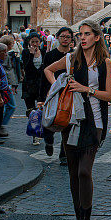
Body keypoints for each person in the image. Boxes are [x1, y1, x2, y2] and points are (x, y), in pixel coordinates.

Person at [44, 20, 111, 220]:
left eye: (87, 34)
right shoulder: (71, 60)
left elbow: (110, 96)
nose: (82, 38)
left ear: (97, 37)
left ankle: (87, 219)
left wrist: (87, 89)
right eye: (80, 35)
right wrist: (58, 86)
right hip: (72, 121)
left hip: (95, 123)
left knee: (85, 171)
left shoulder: (105, 63)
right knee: (74, 173)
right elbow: (47, 70)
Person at [39, 26, 73, 162]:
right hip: (52, 92)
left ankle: (64, 154)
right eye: (63, 36)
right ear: (57, 37)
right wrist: (41, 98)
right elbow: (43, 76)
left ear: (71, 39)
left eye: (68, 37)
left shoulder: (74, 55)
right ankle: (49, 140)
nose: (65, 39)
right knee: (50, 118)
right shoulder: (50, 55)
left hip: (69, 93)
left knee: (68, 122)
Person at [21, 33, 44, 145]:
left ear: (40, 42)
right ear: (29, 42)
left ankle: (41, 130)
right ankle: (35, 135)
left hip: (40, 85)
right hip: (29, 85)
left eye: (37, 42)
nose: (35, 44)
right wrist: (31, 55)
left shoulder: (44, 52)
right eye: (33, 42)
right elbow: (26, 68)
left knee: (41, 109)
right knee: (31, 111)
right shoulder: (25, 52)